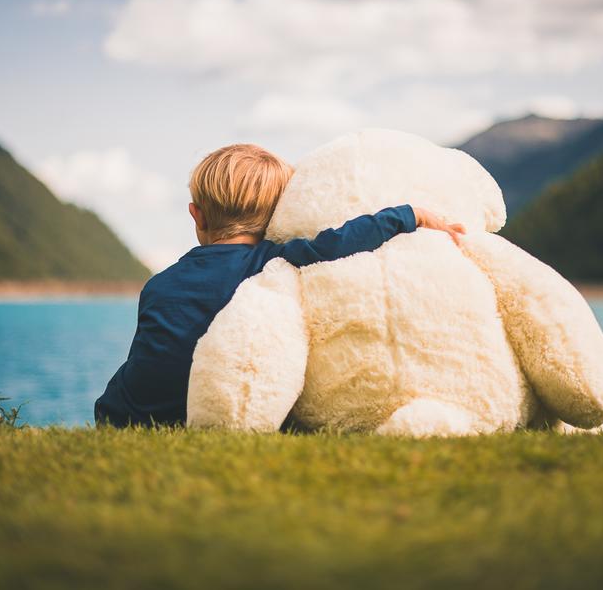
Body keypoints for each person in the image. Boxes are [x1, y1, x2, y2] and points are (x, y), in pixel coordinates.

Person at [94, 143, 466, 427]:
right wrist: (409, 214)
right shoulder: (276, 261)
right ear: (277, 216)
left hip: (129, 414)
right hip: (212, 407)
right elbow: (342, 240)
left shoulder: (160, 284)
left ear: (197, 214)